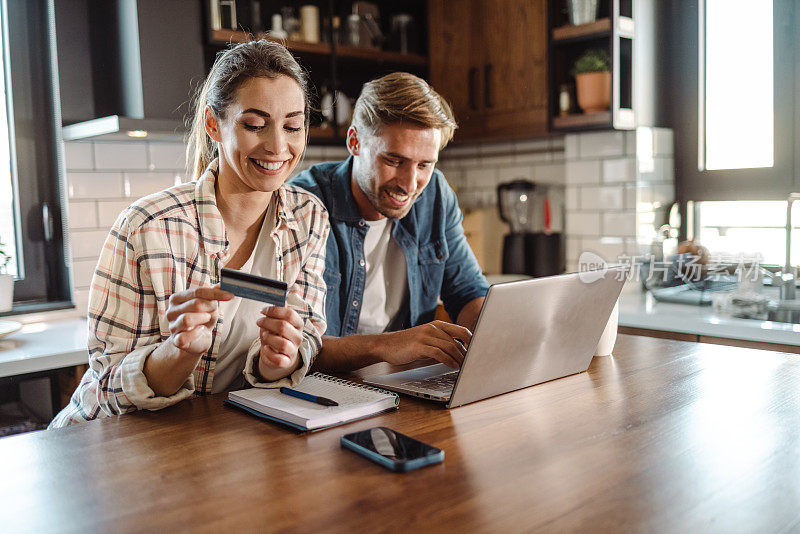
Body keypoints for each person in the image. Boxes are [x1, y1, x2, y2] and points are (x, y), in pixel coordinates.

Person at [50, 41, 329, 427]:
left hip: (212, 439)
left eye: (293, 126)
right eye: (254, 125)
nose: (278, 146)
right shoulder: (147, 226)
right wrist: (179, 353)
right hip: (104, 442)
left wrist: (279, 363)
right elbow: (109, 385)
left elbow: (309, 330)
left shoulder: (309, 216)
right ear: (213, 124)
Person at [291, 72, 489, 372]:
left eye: (424, 164)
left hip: (403, 385)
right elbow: (297, 347)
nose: (410, 184)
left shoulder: (435, 193)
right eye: (394, 161)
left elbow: (468, 293)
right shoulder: (305, 204)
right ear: (355, 141)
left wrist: (497, 335)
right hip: (325, 388)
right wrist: (388, 345)